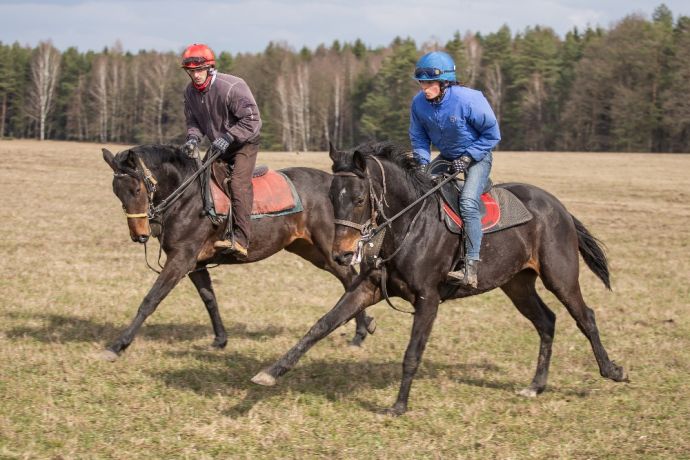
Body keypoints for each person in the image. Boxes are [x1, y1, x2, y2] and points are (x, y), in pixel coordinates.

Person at [409, 51, 501, 287]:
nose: (424, 88)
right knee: (418, 190)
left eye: (429, 83)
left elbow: (492, 134)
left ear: (445, 82)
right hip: (448, 156)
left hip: (477, 156)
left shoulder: (468, 99)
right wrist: (421, 161)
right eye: (422, 82)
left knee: (468, 202)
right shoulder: (418, 104)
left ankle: (470, 267)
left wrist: (469, 157)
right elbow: (419, 137)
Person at [180, 43, 262, 259]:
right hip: (219, 145)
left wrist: (229, 136)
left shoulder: (232, 86)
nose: (195, 75)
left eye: (199, 70)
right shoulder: (189, 92)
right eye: (191, 71)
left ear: (210, 68)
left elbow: (252, 120)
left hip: (245, 143)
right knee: (199, 178)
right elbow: (194, 121)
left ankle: (241, 239)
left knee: (237, 183)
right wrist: (192, 139)